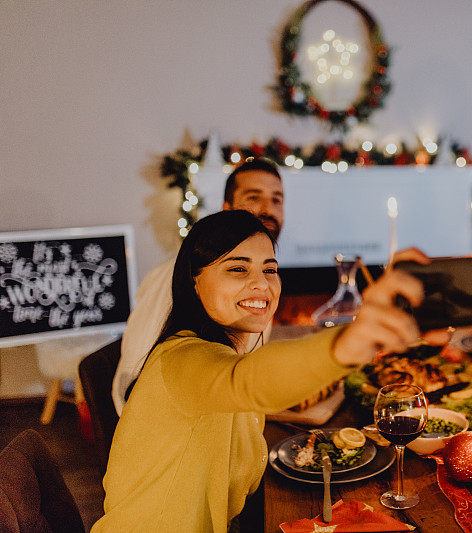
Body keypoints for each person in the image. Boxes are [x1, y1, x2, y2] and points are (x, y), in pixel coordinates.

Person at [92, 210, 425, 532]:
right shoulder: (179, 360)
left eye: (270, 269)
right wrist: (346, 342)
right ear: (193, 282)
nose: (261, 284)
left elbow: (251, 378)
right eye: (238, 269)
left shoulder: (229, 351)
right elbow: (247, 381)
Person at [113, 157, 284, 415]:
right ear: (226, 209)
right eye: (253, 197)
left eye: (276, 200)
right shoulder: (178, 277)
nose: (267, 210)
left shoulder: (258, 287)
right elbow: (142, 375)